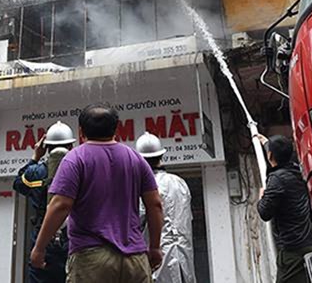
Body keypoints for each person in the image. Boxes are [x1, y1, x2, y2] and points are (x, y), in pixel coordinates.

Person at [31, 105, 164, 283]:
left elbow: (61, 205)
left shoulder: (75, 159)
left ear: (80, 131)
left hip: (91, 259)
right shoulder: (135, 158)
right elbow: (155, 204)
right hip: (135, 258)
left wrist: (39, 248)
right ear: (117, 129)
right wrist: (154, 247)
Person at [13, 121, 75, 283]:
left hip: (43, 239)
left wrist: (35, 156)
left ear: (46, 146)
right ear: (71, 146)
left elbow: (18, 183)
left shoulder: (35, 172)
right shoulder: (81, 169)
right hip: (74, 239)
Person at [256, 134, 312, 283]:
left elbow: (264, 212)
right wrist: (265, 142)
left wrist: (261, 196)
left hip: (292, 253)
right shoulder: (298, 172)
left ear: (271, 155)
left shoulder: (276, 179)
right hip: (309, 246)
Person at [135, 132, 196, 283]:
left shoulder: (145, 187)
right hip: (183, 255)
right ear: (161, 157)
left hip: (157, 259)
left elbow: (137, 221)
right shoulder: (180, 182)